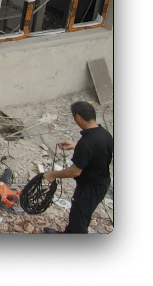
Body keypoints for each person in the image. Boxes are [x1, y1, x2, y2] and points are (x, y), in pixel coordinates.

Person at [42, 100, 112, 233]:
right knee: (77, 213)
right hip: (100, 182)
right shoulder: (104, 134)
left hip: (90, 187)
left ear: (78, 117)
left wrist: (52, 175)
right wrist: (76, 146)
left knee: (79, 219)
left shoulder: (86, 143)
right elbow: (98, 151)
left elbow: (74, 171)